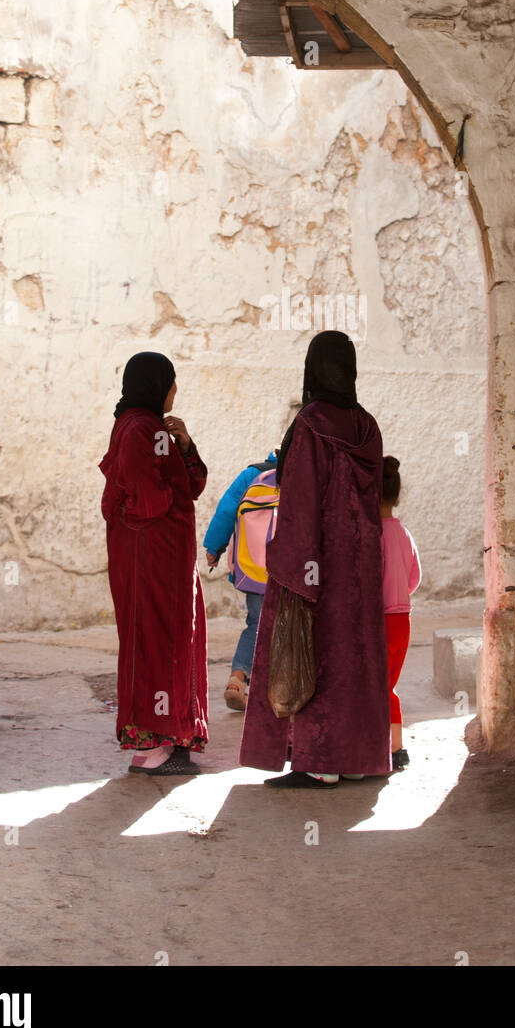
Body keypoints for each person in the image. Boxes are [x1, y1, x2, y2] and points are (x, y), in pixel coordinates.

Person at [239, 330, 391, 788]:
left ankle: (320, 762)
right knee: (355, 654)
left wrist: (290, 565)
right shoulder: (367, 426)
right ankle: (355, 758)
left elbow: (301, 501)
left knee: (318, 650)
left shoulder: (310, 423)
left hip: (317, 561)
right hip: (360, 563)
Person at [98, 351, 208, 776]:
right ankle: (153, 746)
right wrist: (173, 500)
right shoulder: (138, 429)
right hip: (153, 560)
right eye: (172, 382)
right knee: (158, 642)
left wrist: (183, 444)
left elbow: (192, 483)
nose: (175, 390)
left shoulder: (150, 428)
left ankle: (170, 736)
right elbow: (147, 498)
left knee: (170, 638)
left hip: (165, 560)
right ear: (156, 384)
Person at [203, 447, 280, 710]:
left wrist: (214, 548)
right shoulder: (305, 473)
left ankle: (237, 679)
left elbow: (226, 511)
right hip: (294, 571)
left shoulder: (251, 475)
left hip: (255, 568)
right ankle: (281, 692)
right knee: (294, 627)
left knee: (256, 624)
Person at [380, 454, 421, 771]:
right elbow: (414, 579)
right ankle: (397, 750)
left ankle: (383, 750)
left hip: (378, 620)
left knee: (373, 686)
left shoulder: (370, 535)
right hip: (402, 620)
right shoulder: (404, 533)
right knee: (388, 685)